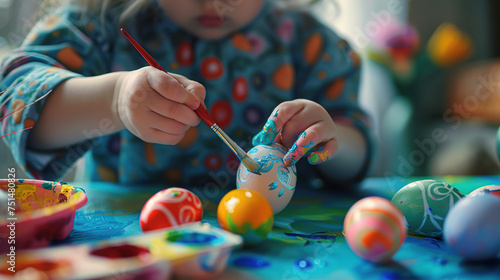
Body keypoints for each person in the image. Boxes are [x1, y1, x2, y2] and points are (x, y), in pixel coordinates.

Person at [0, 0, 373, 190]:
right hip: (130, 254)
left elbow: (356, 154)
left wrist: (328, 139)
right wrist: (114, 100)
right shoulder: (99, 22)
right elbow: (16, 100)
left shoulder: (308, 41)